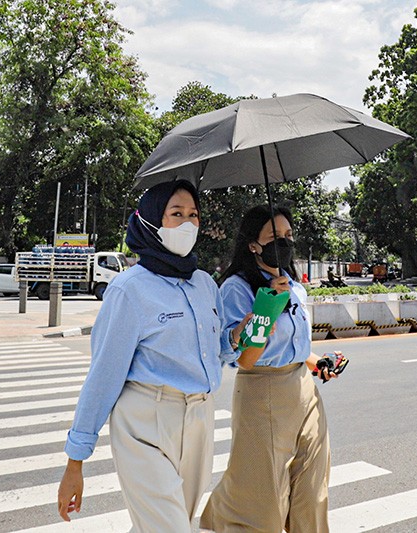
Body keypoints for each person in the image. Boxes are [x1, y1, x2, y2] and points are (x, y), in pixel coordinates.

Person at [57, 180, 248, 531]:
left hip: (200, 418)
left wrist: (235, 337)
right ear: (148, 222)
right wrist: (76, 461)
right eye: (176, 214)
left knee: (171, 523)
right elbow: (103, 376)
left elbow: (216, 350)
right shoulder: (130, 289)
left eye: (194, 215)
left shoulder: (204, 283)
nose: (188, 224)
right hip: (145, 421)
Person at [200, 205, 338, 533]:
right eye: (275, 237)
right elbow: (245, 360)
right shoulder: (236, 287)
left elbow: (296, 344)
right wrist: (267, 309)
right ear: (253, 245)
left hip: (304, 388)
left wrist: (318, 363)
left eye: (289, 236)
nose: (285, 243)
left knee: (313, 489)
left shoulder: (293, 283)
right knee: (264, 497)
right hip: (263, 392)